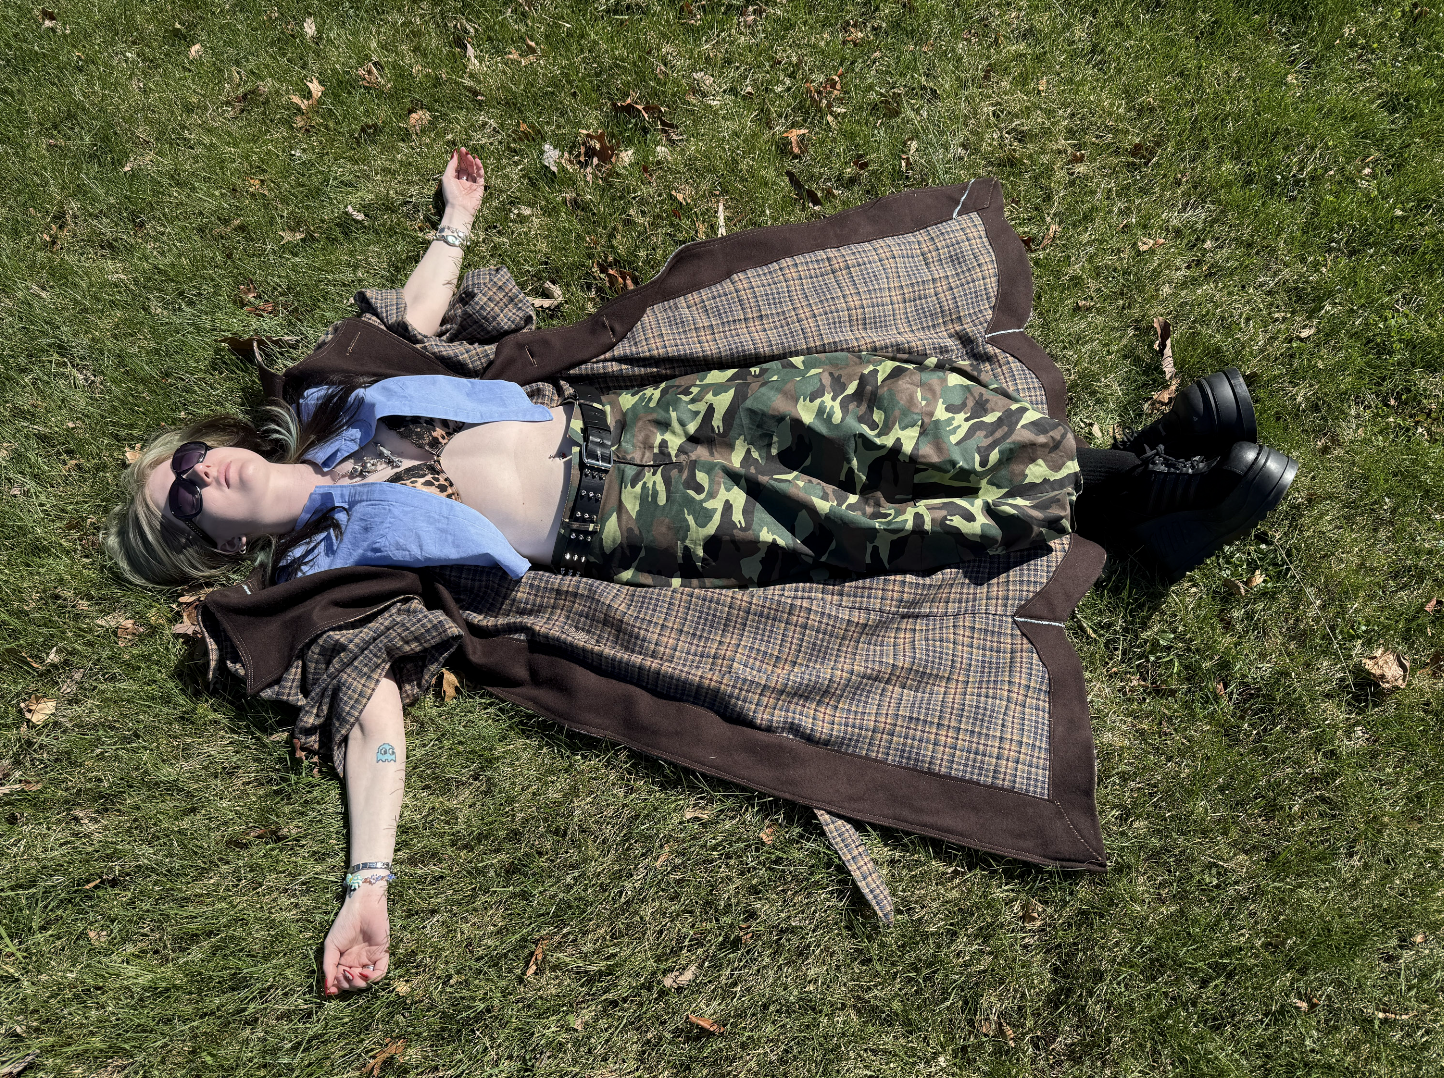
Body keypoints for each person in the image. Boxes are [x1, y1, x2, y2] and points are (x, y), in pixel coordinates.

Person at [104, 149, 1297, 995]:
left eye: (197, 459)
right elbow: (373, 722)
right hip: (631, 517)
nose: (210, 479)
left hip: (632, 412)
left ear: (230, 438)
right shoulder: (324, 588)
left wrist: (455, 222)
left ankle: (1119, 470)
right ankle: (1140, 494)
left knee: (877, 403)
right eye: (192, 505)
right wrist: (368, 880)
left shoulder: (340, 397)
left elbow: (413, 319)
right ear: (219, 550)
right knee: (855, 517)